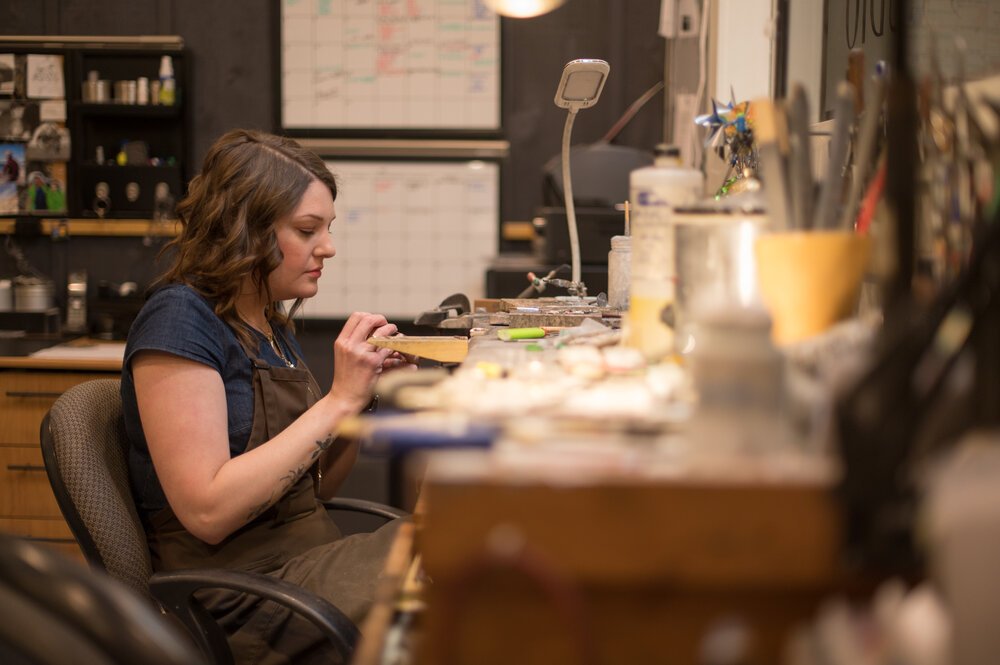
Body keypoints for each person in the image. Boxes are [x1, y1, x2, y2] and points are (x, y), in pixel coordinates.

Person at [121, 129, 415, 665]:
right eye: (307, 230)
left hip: (307, 562)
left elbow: (315, 487)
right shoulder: (180, 320)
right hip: (245, 598)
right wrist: (337, 402)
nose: (327, 247)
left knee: (466, 542)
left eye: (327, 228)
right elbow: (208, 511)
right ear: (245, 230)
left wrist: (361, 396)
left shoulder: (267, 325)